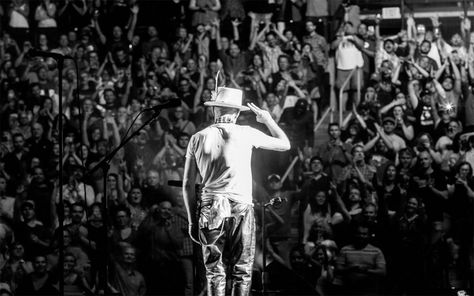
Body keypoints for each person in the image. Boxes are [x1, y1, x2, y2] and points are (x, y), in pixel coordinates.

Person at [183, 86, 290, 295]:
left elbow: (187, 183)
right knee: (242, 270)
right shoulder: (246, 133)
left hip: (210, 205)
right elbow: (285, 144)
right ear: (237, 112)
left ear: (215, 110)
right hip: (240, 204)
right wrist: (268, 120)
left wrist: (191, 220)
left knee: (215, 270)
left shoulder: (197, 137)